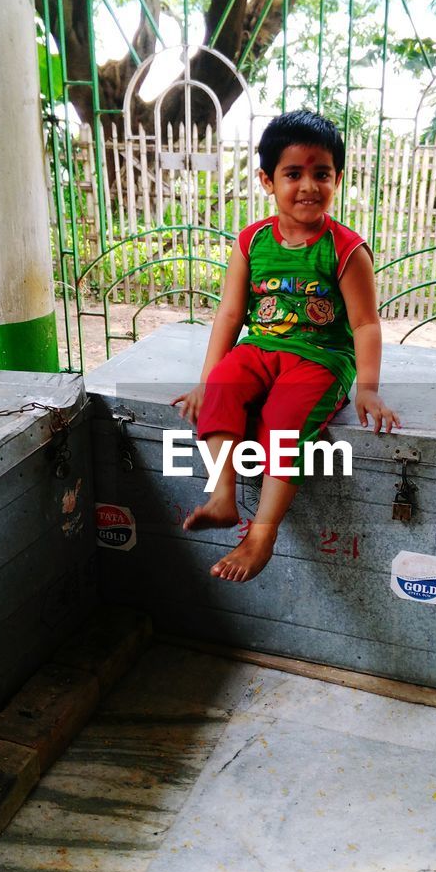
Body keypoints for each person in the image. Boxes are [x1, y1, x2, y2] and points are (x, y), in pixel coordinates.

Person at [173, 109, 400, 583]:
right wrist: (204, 382)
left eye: (322, 174)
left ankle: (262, 533)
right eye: (293, 174)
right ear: (267, 180)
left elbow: (365, 325)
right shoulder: (252, 241)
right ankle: (222, 496)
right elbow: (231, 315)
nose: (309, 186)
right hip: (261, 349)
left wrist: (368, 388)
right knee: (223, 384)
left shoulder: (346, 249)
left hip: (321, 359)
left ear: (337, 178)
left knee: (283, 419)